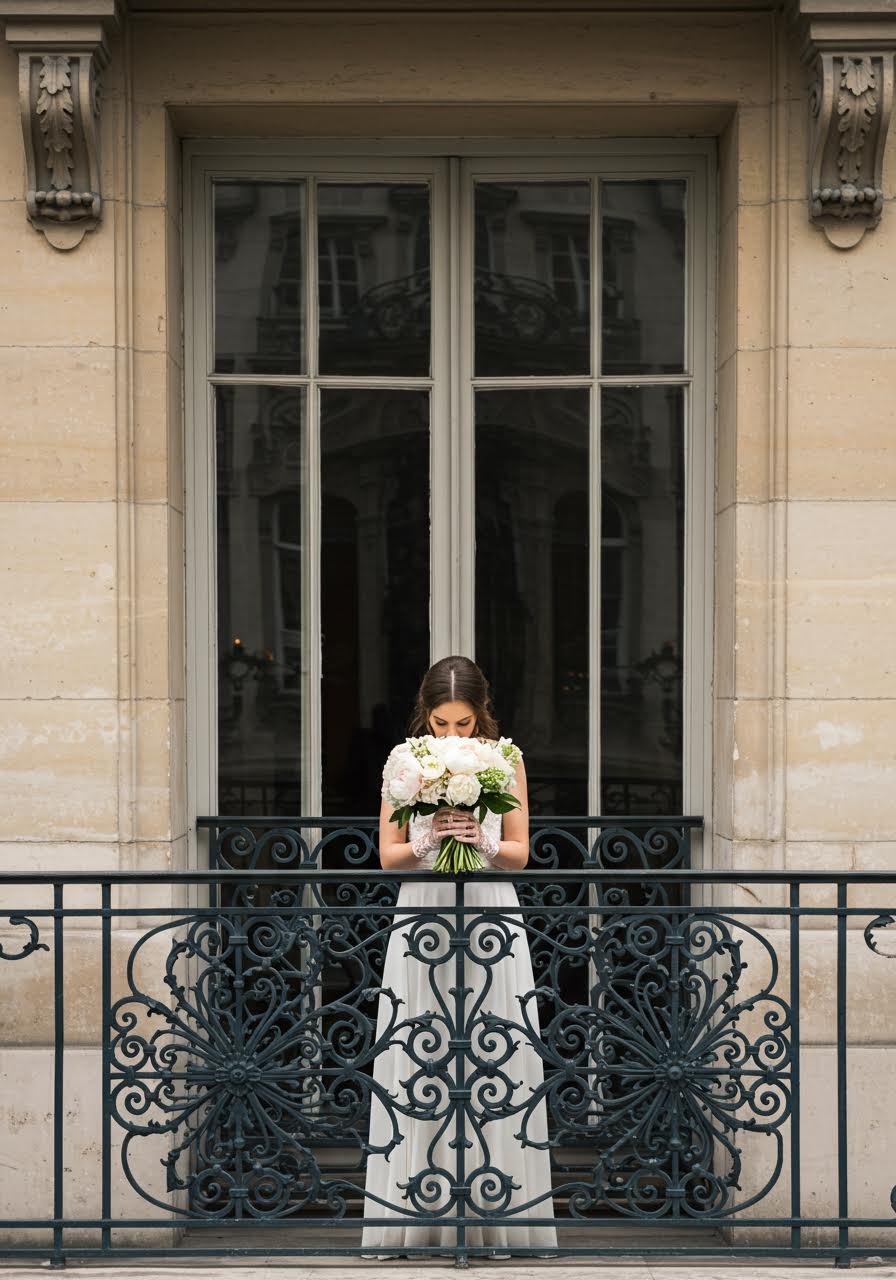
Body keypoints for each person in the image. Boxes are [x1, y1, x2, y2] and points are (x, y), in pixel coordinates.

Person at [361, 655, 557, 1258]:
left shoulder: (508, 759)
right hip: (423, 906)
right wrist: (431, 836)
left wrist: (483, 840)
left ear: (481, 717)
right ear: (427, 714)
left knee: (494, 1045)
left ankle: (496, 1213)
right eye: (443, 723)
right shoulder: (405, 759)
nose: (452, 737)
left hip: (490, 904)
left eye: (464, 725)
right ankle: (416, 1214)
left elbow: (522, 853)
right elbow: (388, 856)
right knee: (421, 1043)